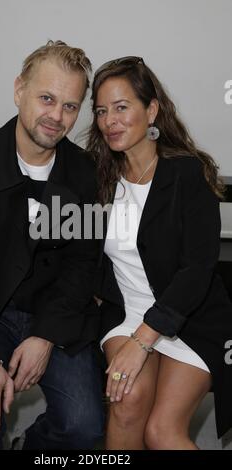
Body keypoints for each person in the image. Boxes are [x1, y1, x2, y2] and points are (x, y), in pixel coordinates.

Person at [0, 40, 104, 450]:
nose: (56, 116)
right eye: (47, 98)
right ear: (19, 90)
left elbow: (82, 266)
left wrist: (45, 336)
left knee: (84, 427)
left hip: (53, 316)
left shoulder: (84, 173)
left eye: (70, 105)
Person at [87, 56, 232, 450]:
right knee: (127, 399)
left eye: (121, 107)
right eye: (102, 111)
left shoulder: (190, 174)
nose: (109, 121)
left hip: (189, 317)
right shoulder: (98, 176)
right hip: (127, 313)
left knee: (162, 432)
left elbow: (197, 269)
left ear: (151, 109)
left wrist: (143, 342)